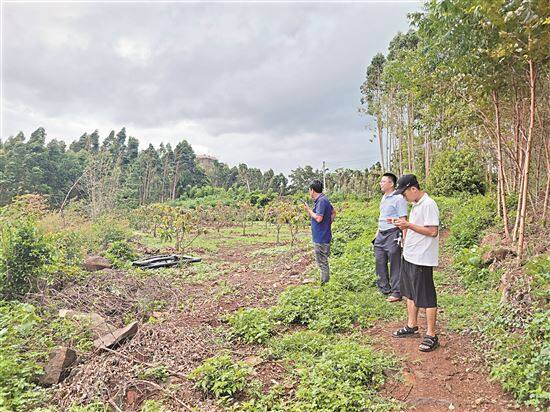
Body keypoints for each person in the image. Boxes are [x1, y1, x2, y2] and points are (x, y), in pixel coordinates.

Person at [391, 174, 440, 352]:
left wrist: (408, 225)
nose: (404, 197)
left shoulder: (428, 204)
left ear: (413, 189)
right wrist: (404, 225)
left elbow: (432, 231)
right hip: (411, 255)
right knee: (410, 293)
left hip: (422, 258)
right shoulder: (416, 204)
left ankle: (431, 335)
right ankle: (412, 326)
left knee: (426, 296)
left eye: (405, 193)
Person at [373, 172, 408, 302]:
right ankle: (384, 288)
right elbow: (382, 216)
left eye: (383, 181)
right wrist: (377, 233)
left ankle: (397, 292)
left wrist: (404, 239)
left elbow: (403, 219)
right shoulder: (384, 197)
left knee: (395, 263)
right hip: (381, 234)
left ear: (391, 183)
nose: (380, 184)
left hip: (393, 233)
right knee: (379, 260)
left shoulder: (399, 198)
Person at [303, 180, 335, 284]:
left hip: (321, 238)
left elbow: (319, 218)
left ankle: (325, 287)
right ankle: (324, 284)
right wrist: (328, 223)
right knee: (323, 262)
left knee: (322, 263)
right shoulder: (324, 199)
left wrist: (309, 211)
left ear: (312, 190)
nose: (309, 192)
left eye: (309, 190)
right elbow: (333, 212)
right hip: (323, 236)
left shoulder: (321, 201)